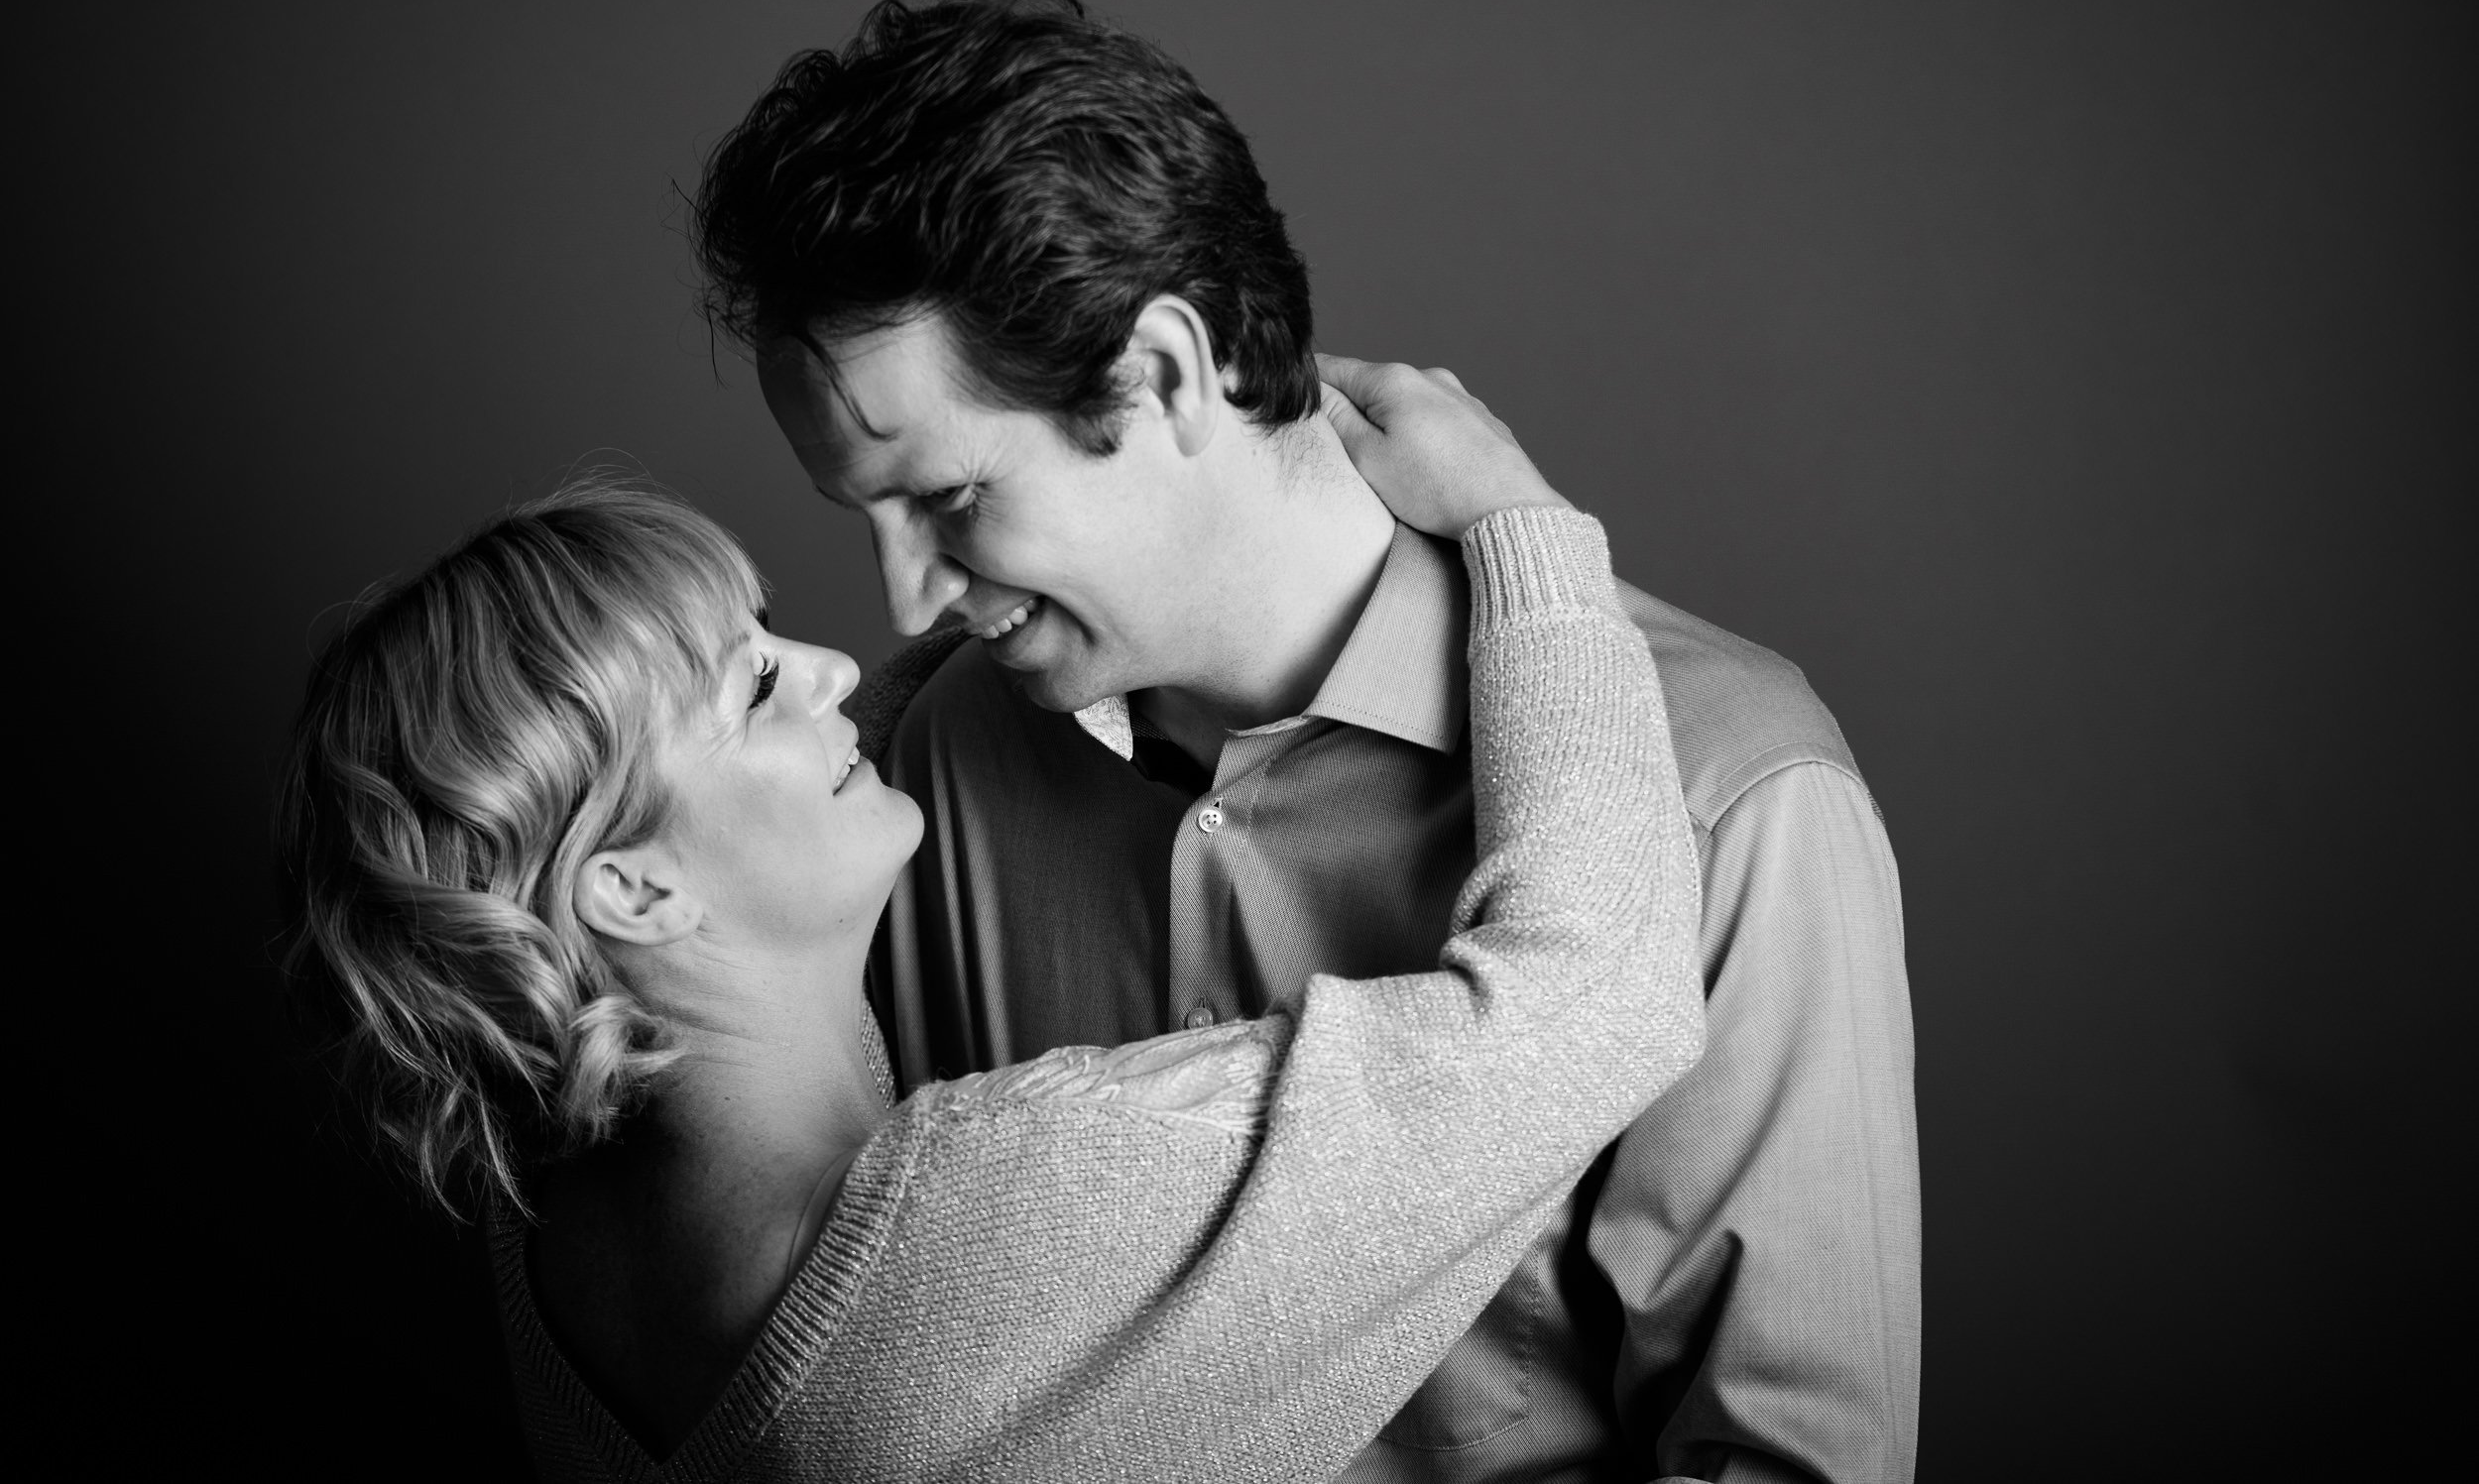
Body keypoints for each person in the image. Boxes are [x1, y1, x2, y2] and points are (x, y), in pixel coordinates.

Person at [700, 0, 1919, 1482]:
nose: (905, 599)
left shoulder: (1733, 792)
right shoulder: (905, 784)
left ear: (1158, 374)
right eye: (868, 518)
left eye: (950, 498)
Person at [277, 366, 1706, 1482]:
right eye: (755, 690)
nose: (836, 664)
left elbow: (839, 747)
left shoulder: (553, 1242)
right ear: (634, 893)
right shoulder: (992, 1234)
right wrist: (1522, 525)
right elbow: (1592, 1006)